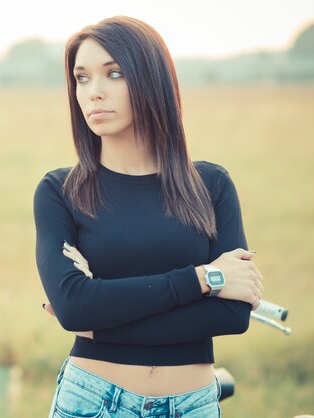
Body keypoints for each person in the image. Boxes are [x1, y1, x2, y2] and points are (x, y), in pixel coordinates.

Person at [33, 16, 264, 418]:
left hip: (194, 405)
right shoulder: (60, 191)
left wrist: (101, 319)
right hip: (92, 401)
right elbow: (72, 308)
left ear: (151, 78)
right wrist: (203, 278)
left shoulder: (210, 185)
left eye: (114, 73)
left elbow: (233, 314)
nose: (94, 92)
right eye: (82, 78)